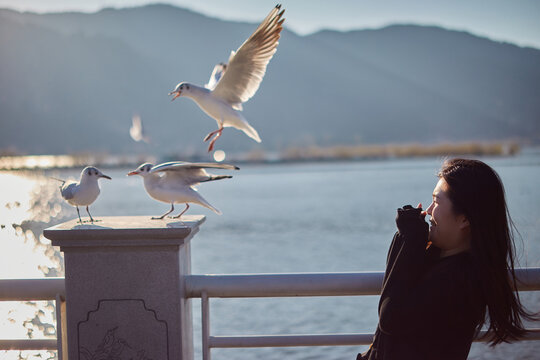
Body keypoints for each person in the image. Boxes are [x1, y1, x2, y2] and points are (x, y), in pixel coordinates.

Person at [357, 158, 536, 360]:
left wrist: (409, 238)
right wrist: (405, 238)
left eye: (437, 201)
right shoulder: (440, 259)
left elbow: (390, 319)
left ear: (465, 218)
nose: (429, 211)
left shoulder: (459, 280)